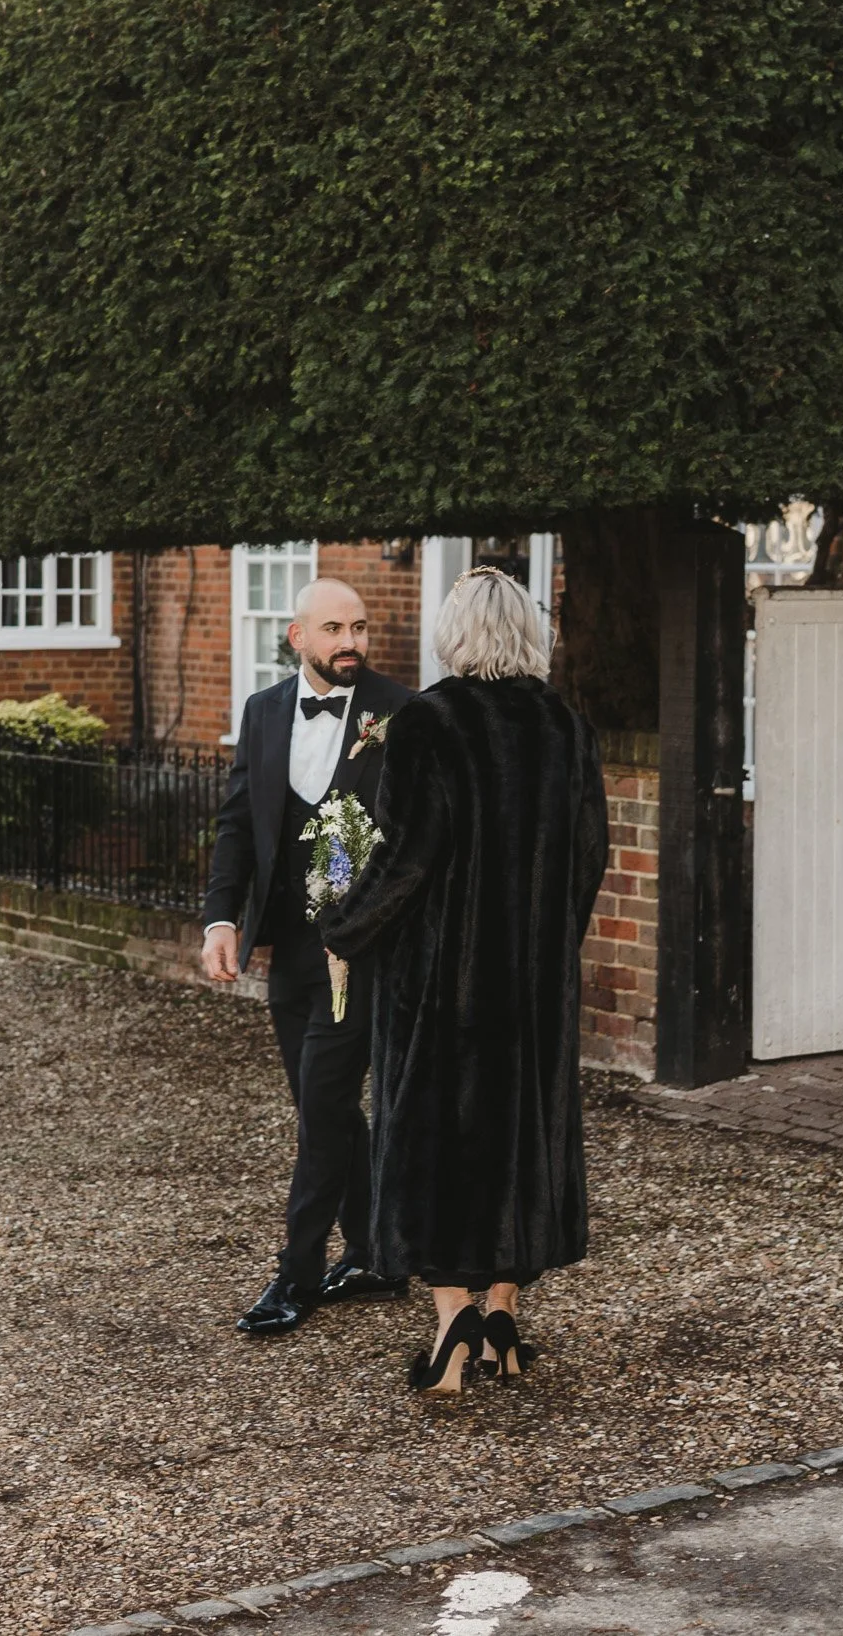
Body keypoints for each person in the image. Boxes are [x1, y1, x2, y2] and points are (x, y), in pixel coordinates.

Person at [319, 565, 609, 1394]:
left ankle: (453, 1327)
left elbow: (406, 858)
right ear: (529, 633)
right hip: (533, 987)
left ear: (455, 634)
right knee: (524, 1137)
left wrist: (344, 929)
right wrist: (548, 942)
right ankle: (506, 1315)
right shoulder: (566, 728)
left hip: (442, 987)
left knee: (438, 1140)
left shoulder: (428, 723)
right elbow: (590, 859)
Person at [202, 577, 414, 1335]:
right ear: (297, 638)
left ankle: (295, 1278)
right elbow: (235, 828)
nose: (350, 641)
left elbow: (418, 838)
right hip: (287, 950)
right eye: (333, 629)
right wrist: (220, 921)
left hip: (363, 951)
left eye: (358, 626)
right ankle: (371, 1254)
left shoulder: (400, 712)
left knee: (322, 1108)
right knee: (320, 1105)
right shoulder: (261, 714)